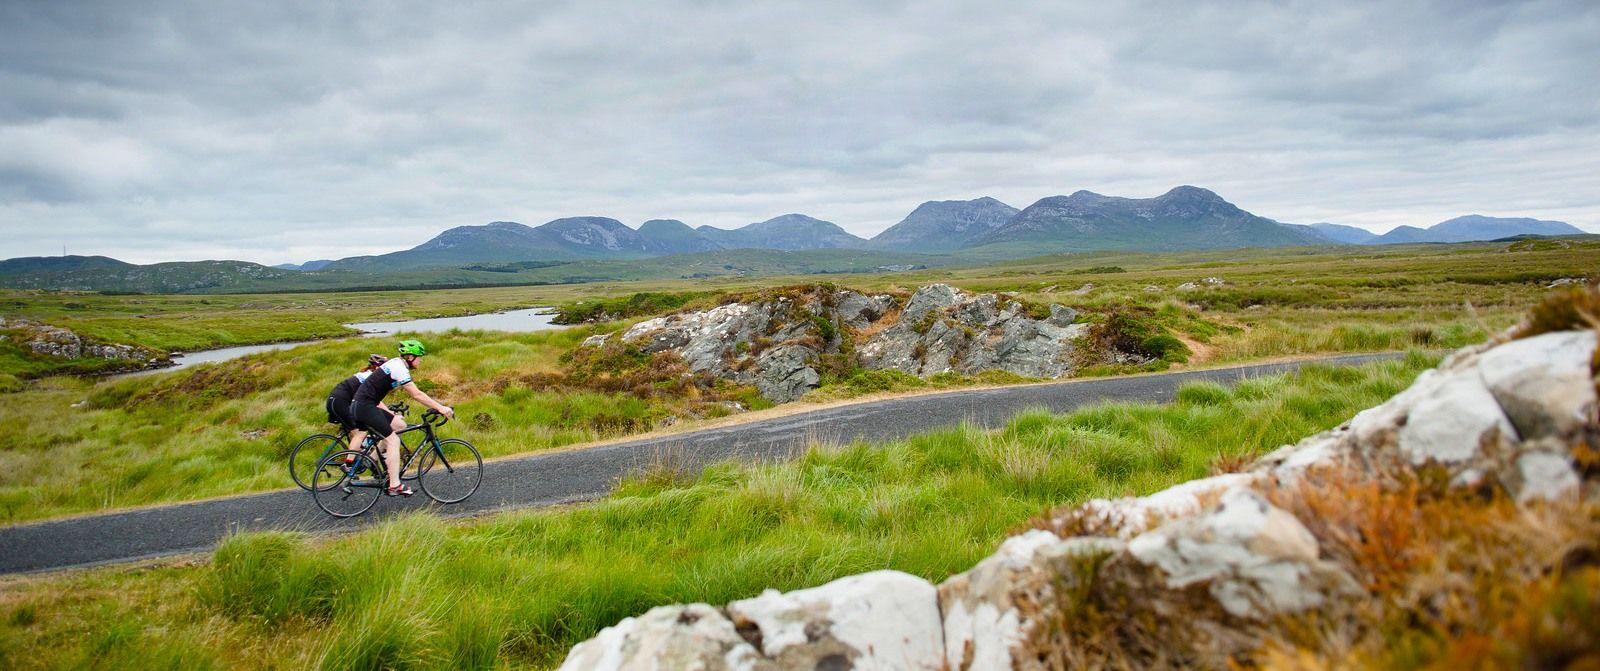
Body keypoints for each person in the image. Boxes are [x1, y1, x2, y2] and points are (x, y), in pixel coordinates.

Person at [350, 339, 453, 496]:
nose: (421, 359)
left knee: (399, 425)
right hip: (365, 407)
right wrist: (440, 407)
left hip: (364, 405)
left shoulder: (396, 364)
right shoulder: (399, 368)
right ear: (410, 357)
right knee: (393, 441)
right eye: (420, 356)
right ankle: (395, 485)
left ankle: (370, 460)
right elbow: (416, 394)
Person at [326, 354, 387, 459]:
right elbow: (375, 401)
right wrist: (389, 412)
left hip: (336, 401)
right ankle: (349, 465)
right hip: (341, 402)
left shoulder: (365, 374)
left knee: (363, 424)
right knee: (360, 434)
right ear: (377, 368)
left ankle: (359, 457)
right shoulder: (370, 378)